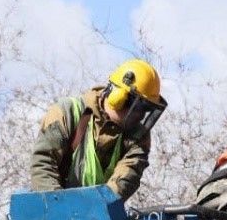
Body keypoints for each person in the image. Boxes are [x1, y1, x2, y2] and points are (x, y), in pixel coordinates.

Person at [30, 58, 166, 200]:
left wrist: (97, 210)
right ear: (120, 98)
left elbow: (126, 176)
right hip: (53, 208)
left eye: (148, 110)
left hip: (98, 216)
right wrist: (58, 207)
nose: (142, 116)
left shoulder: (137, 135)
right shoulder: (68, 112)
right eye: (141, 108)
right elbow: (43, 162)